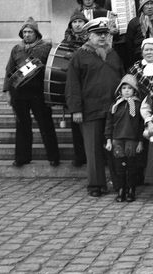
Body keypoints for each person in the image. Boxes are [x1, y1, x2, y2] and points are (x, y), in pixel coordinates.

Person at [66, 17, 125, 197]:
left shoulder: (113, 54)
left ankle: (119, 183)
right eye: (98, 34)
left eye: (105, 33)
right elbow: (72, 85)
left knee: (115, 148)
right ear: (89, 36)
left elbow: (122, 78)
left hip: (112, 110)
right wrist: (76, 109)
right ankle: (96, 185)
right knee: (93, 150)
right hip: (90, 110)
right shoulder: (79, 56)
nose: (102, 37)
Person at [4, 17, 60, 168]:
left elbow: (53, 67)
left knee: (46, 124)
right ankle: (22, 158)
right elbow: (9, 71)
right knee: (22, 125)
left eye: (30, 32)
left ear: (36, 33)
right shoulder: (16, 49)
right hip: (19, 93)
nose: (27, 34)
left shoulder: (46, 48)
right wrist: (7, 91)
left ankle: (53, 157)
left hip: (38, 92)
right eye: (24, 32)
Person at [104, 74, 144, 202]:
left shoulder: (138, 105)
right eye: (124, 88)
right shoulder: (115, 105)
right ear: (120, 90)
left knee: (131, 165)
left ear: (134, 90)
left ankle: (131, 190)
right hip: (117, 139)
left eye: (130, 88)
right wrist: (108, 140)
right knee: (120, 165)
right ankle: (122, 189)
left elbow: (141, 125)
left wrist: (140, 141)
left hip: (132, 139)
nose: (127, 90)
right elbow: (109, 123)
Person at [62, 12, 89, 166]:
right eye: (74, 22)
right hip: (73, 85)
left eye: (80, 21)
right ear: (70, 25)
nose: (77, 24)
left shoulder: (92, 40)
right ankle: (80, 156)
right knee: (75, 126)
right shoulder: (65, 42)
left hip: (89, 85)